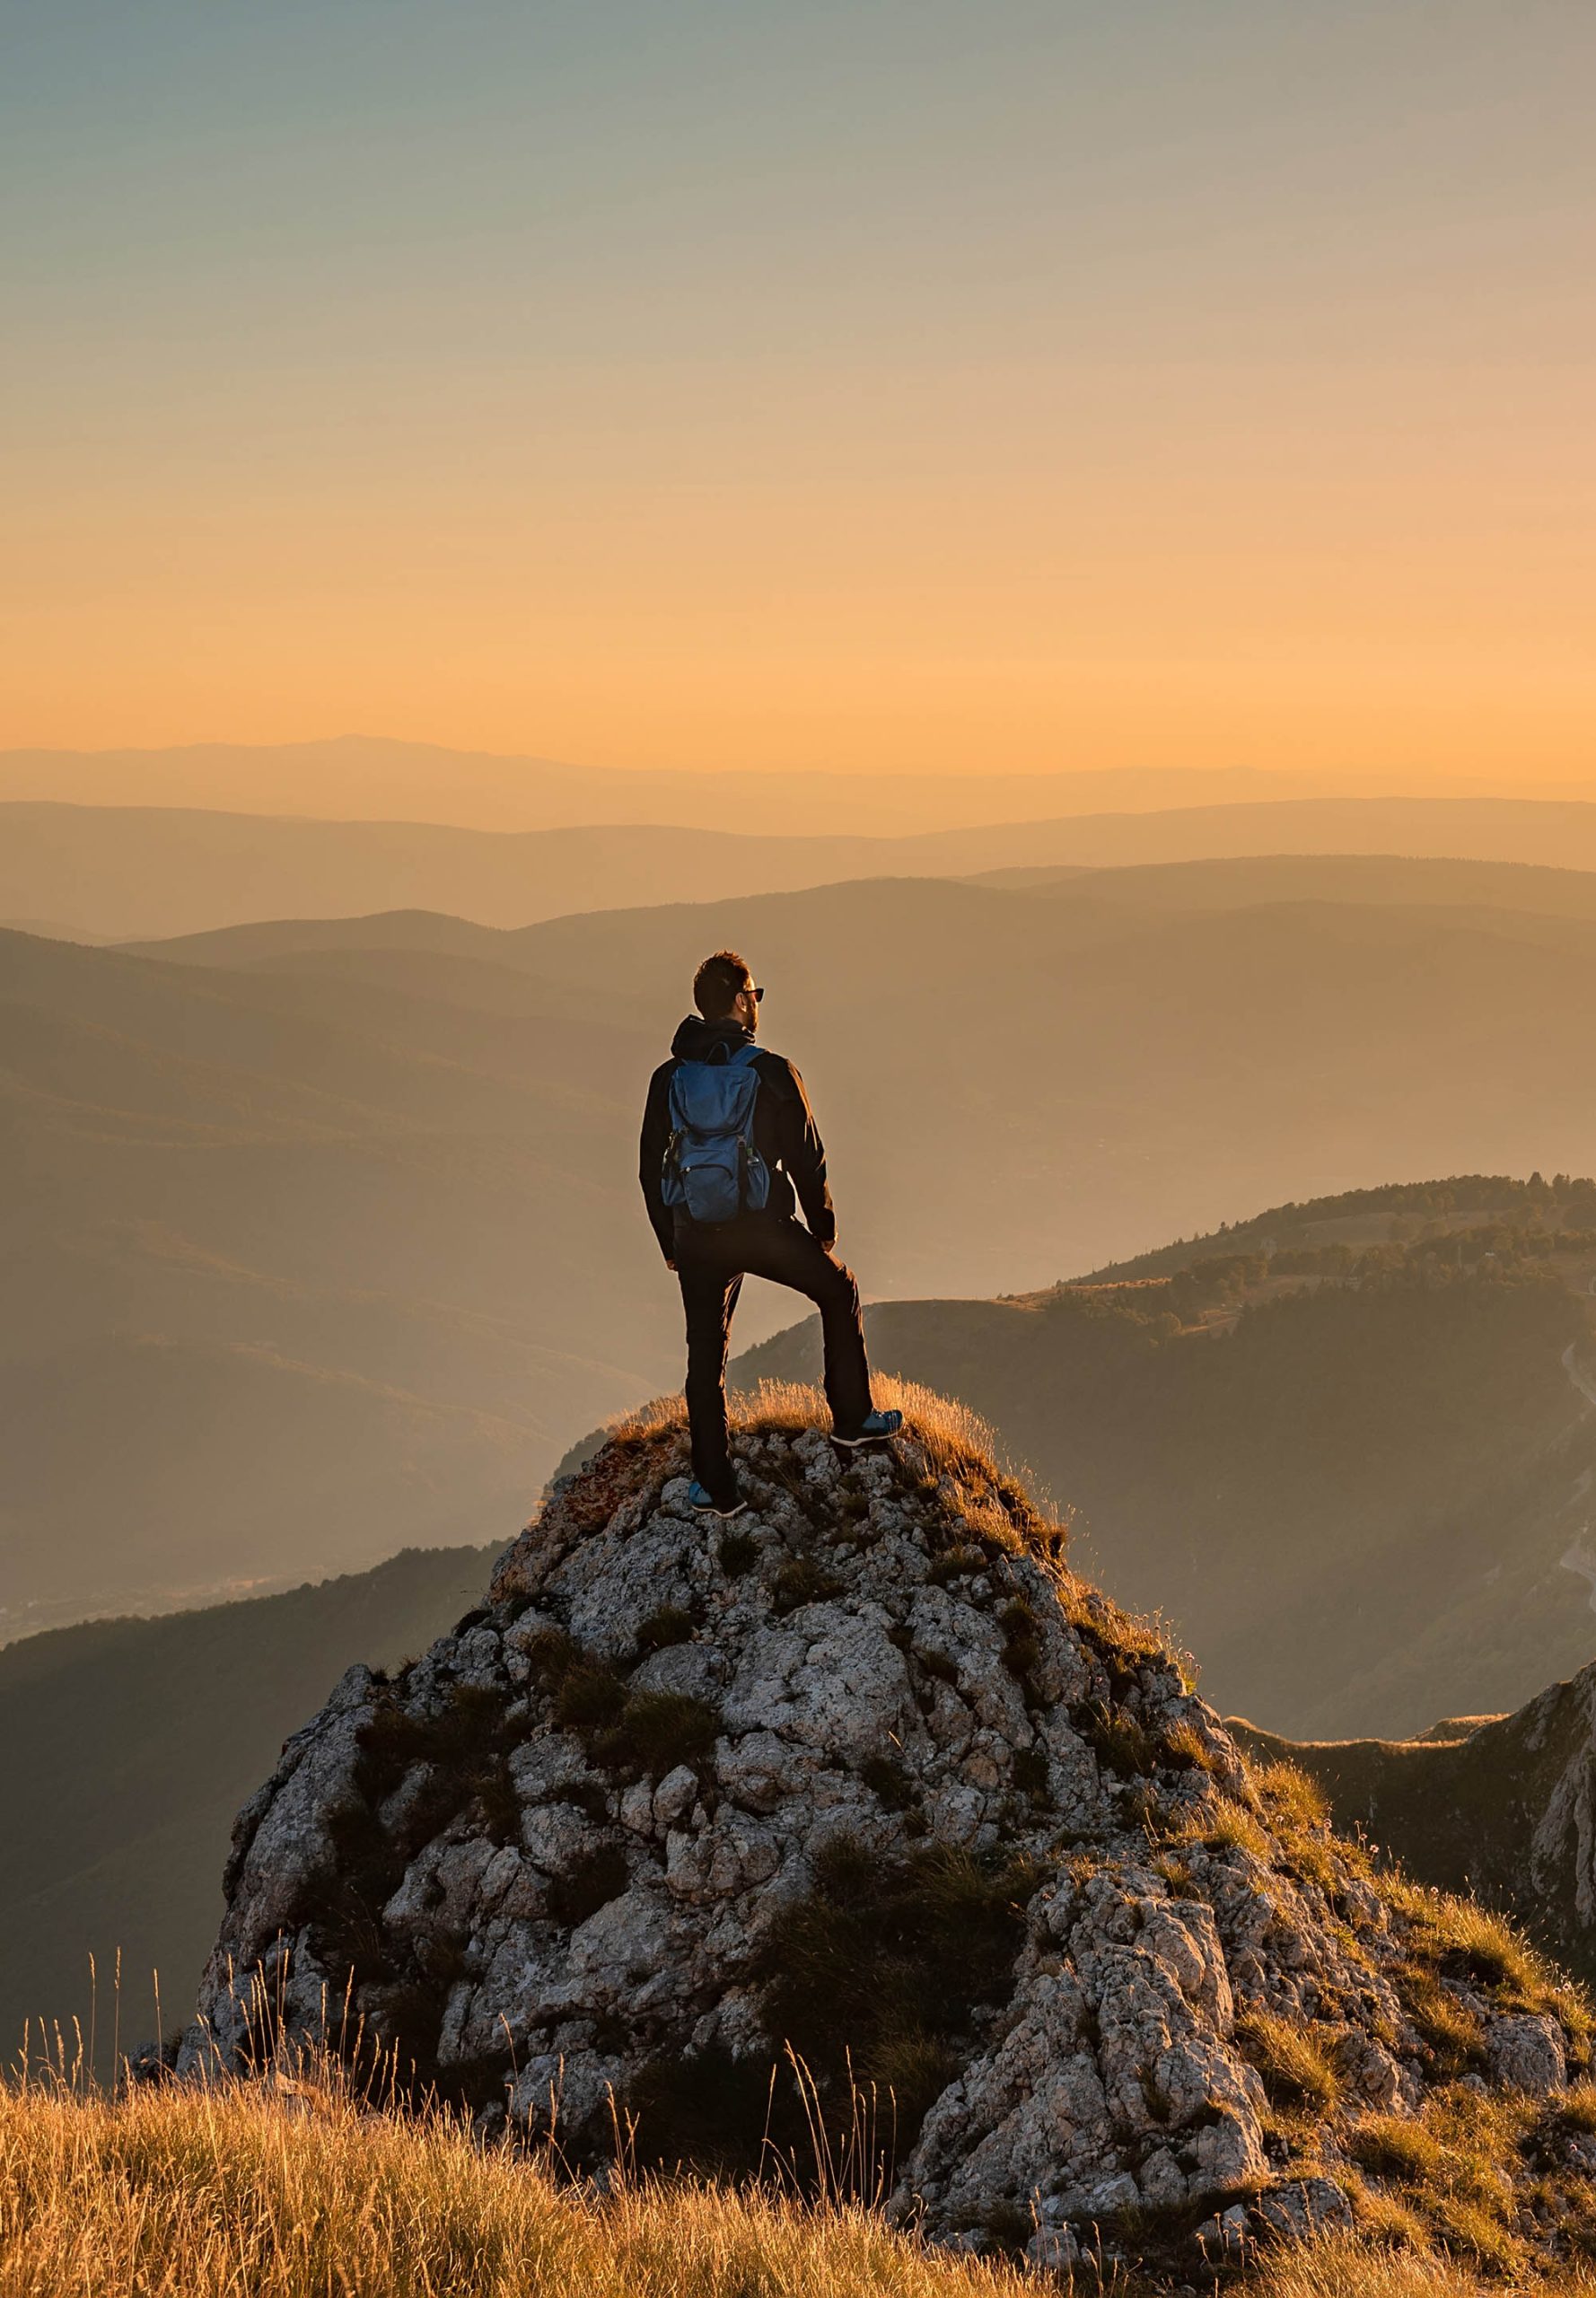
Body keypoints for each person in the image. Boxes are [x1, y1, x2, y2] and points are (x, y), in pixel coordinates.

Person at [639, 950, 900, 1515]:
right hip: (761, 1228)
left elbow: (647, 1166)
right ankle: (853, 1420)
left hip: (696, 1234)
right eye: (755, 995)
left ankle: (716, 1485)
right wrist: (821, 1227)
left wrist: (671, 1244)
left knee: (705, 1355)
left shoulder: (668, 1079)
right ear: (739, 1001)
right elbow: (809, 1158)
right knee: (838, 1289)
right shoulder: (773, 1072)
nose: (757, 1004)